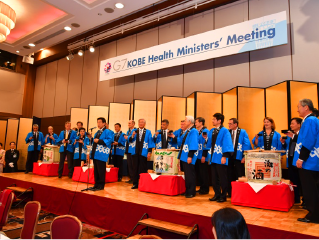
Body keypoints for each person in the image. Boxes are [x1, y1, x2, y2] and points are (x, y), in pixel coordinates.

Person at [293, 99, 319, 223]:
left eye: (299, 107)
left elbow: (308, 140)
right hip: (311, 161)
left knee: (310, 189)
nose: (298, 109)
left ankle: (314, 215)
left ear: (306, 107)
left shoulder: (310, 120)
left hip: (309, 161)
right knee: (311, 188)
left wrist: (301, 158)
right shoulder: (310, 120)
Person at [203, 113, 234, 203]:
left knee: (222, 177)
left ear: (219, 120)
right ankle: (217, 194)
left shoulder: (225, 130)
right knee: (214, 178)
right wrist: (206, 139)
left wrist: (225, 156)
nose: (212, 121)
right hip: (213, 157)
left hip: (221, 157)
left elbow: (227, 143)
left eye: (214, 119)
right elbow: (209, 144)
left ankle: (223, 196)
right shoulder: (212, 130)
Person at [227, 118, 252, 197]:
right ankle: (230, 192)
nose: (229, 125)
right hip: (229, 157)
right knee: (229, 174)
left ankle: (241, 193)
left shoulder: (242, 132)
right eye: (229, 123)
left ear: (235, 124)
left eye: (231, 123)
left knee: (239, 174)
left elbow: (246, 144)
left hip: (238, 156)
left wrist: (245, 156)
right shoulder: (228, 132)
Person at [280, 117, 302, 204]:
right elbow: (288, 148)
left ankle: (303, 199)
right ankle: (295, 199)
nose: (291, 125)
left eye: (293, 123)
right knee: (293, 180)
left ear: (299, 124)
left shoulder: (302, 134)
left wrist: (293, 136)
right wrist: (283, 143)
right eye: (290, 123)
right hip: (291, 161)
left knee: (300, 181)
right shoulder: (291, 135)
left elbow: (302, 144)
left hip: (299, 161)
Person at [129, 119, 155, 189]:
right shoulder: (134, 131)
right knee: (135, 168)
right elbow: (129, 140)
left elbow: (150, 142)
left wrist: (149, 152)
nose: (140, 123)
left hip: (143, 152)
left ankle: (143, 183)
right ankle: (135, 184)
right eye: (139, 122)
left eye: (142, 122)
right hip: (135, 152)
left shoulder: (148, 132)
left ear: (144, 124)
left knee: (143, 168)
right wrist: (132, 136)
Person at [89, 117, 113, 191]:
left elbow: (109, 140)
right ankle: (96, 184)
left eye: (100, 122)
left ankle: (101, 185)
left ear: (104, 123)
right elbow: (94, 142)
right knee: (96, 170)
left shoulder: (108, 131)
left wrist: (99, 141)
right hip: (95, 153)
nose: (98, 124)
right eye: (97, 122)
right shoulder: (97, 132)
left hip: (101, 153)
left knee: (101, 170)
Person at [177, 116, 198, 198]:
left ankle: (191, 191)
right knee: (187, 174)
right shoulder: (187, 131)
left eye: (185, 121)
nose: (184, 122)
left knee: (190, 174)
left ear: (189, 122)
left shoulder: (193, 131)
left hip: (189, 156)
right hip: (184, 155)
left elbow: (193, 144)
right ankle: (187, 190)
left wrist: (190, 156)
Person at [194, 117, 210, 195]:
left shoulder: (205, 131)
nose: (195, 123)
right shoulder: (196, 131)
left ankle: (205, 188)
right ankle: (201, 187)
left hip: (202, 155)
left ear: (201, 123)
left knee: (204, 173)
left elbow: (206, 144)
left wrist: (204, 155)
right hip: (197, 155)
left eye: (196, 122)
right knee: (199, 173)